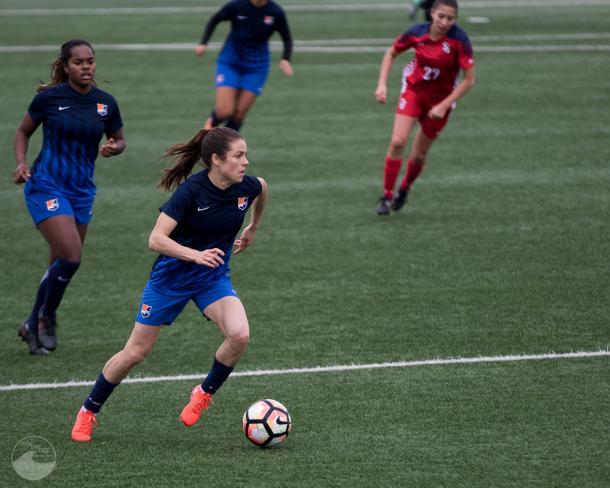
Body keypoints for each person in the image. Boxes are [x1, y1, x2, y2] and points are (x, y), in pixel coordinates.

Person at [70, 127, 268, 442]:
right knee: (135, 352)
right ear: (216, 159)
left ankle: (204, 392)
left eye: (245, 154)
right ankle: (88, 411)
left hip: (211, 277)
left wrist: (253, 227)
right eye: (239, 155)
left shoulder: (245, 186)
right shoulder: (191, 192)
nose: (246, 161)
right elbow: (156, 239)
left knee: (240, 335)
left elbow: (261, 188)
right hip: (171, 279)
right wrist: (195, 254)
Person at [14, 39, 125, 354]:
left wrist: (113, 147)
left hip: (81, 191)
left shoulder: (105, 103)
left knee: (60, 262)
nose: (86, 66)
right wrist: (22, 163)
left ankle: (32, 323)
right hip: (46, 185)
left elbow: (119, 139)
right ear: (65, 66)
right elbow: (23, 131)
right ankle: (45, 316)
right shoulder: (49, 99)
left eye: (90, 60)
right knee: (72, 255)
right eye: (78, 62)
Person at [375, 0, 475, 215]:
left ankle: (404, 188)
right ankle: (386, 196)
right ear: (432, 14)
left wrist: (443, 105)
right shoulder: (416, 32)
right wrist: (382, 84)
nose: (444, 22)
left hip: (441, 101)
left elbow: (469, 81)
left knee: (418, 155)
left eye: (450, 18)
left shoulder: (460, 40)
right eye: (441, 16)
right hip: (414, 91)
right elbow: (391, 53)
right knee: (397, 141)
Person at [195, 0, 293, 132]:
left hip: (257, 66)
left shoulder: (275, 11)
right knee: (225, 111)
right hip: (230, 62)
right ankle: (206, 132)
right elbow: (215, 19)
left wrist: (285, 59)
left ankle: (225, 146)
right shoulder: (237, 5)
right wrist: (203, 43)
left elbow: (287, 38)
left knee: (239, 114)